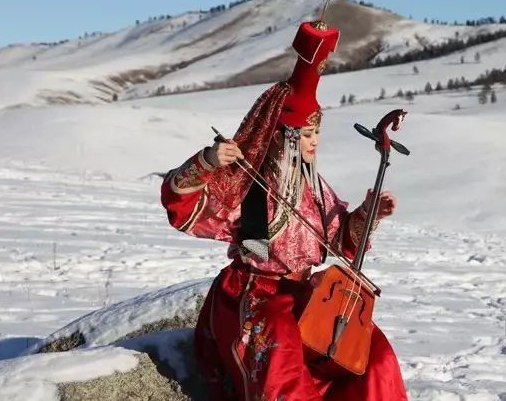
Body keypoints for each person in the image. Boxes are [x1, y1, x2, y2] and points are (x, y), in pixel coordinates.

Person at [160, 21, 408, 400]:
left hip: (308, 291)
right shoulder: (245, 185)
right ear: (282, 137)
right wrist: (209, 161)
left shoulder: (316, 187)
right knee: (282, 364)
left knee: (373, 357)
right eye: (306, 135)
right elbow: (183, 205)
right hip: (255, 294)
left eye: (317, 134)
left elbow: (339, 239)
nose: (314, 142)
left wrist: (368, 214)